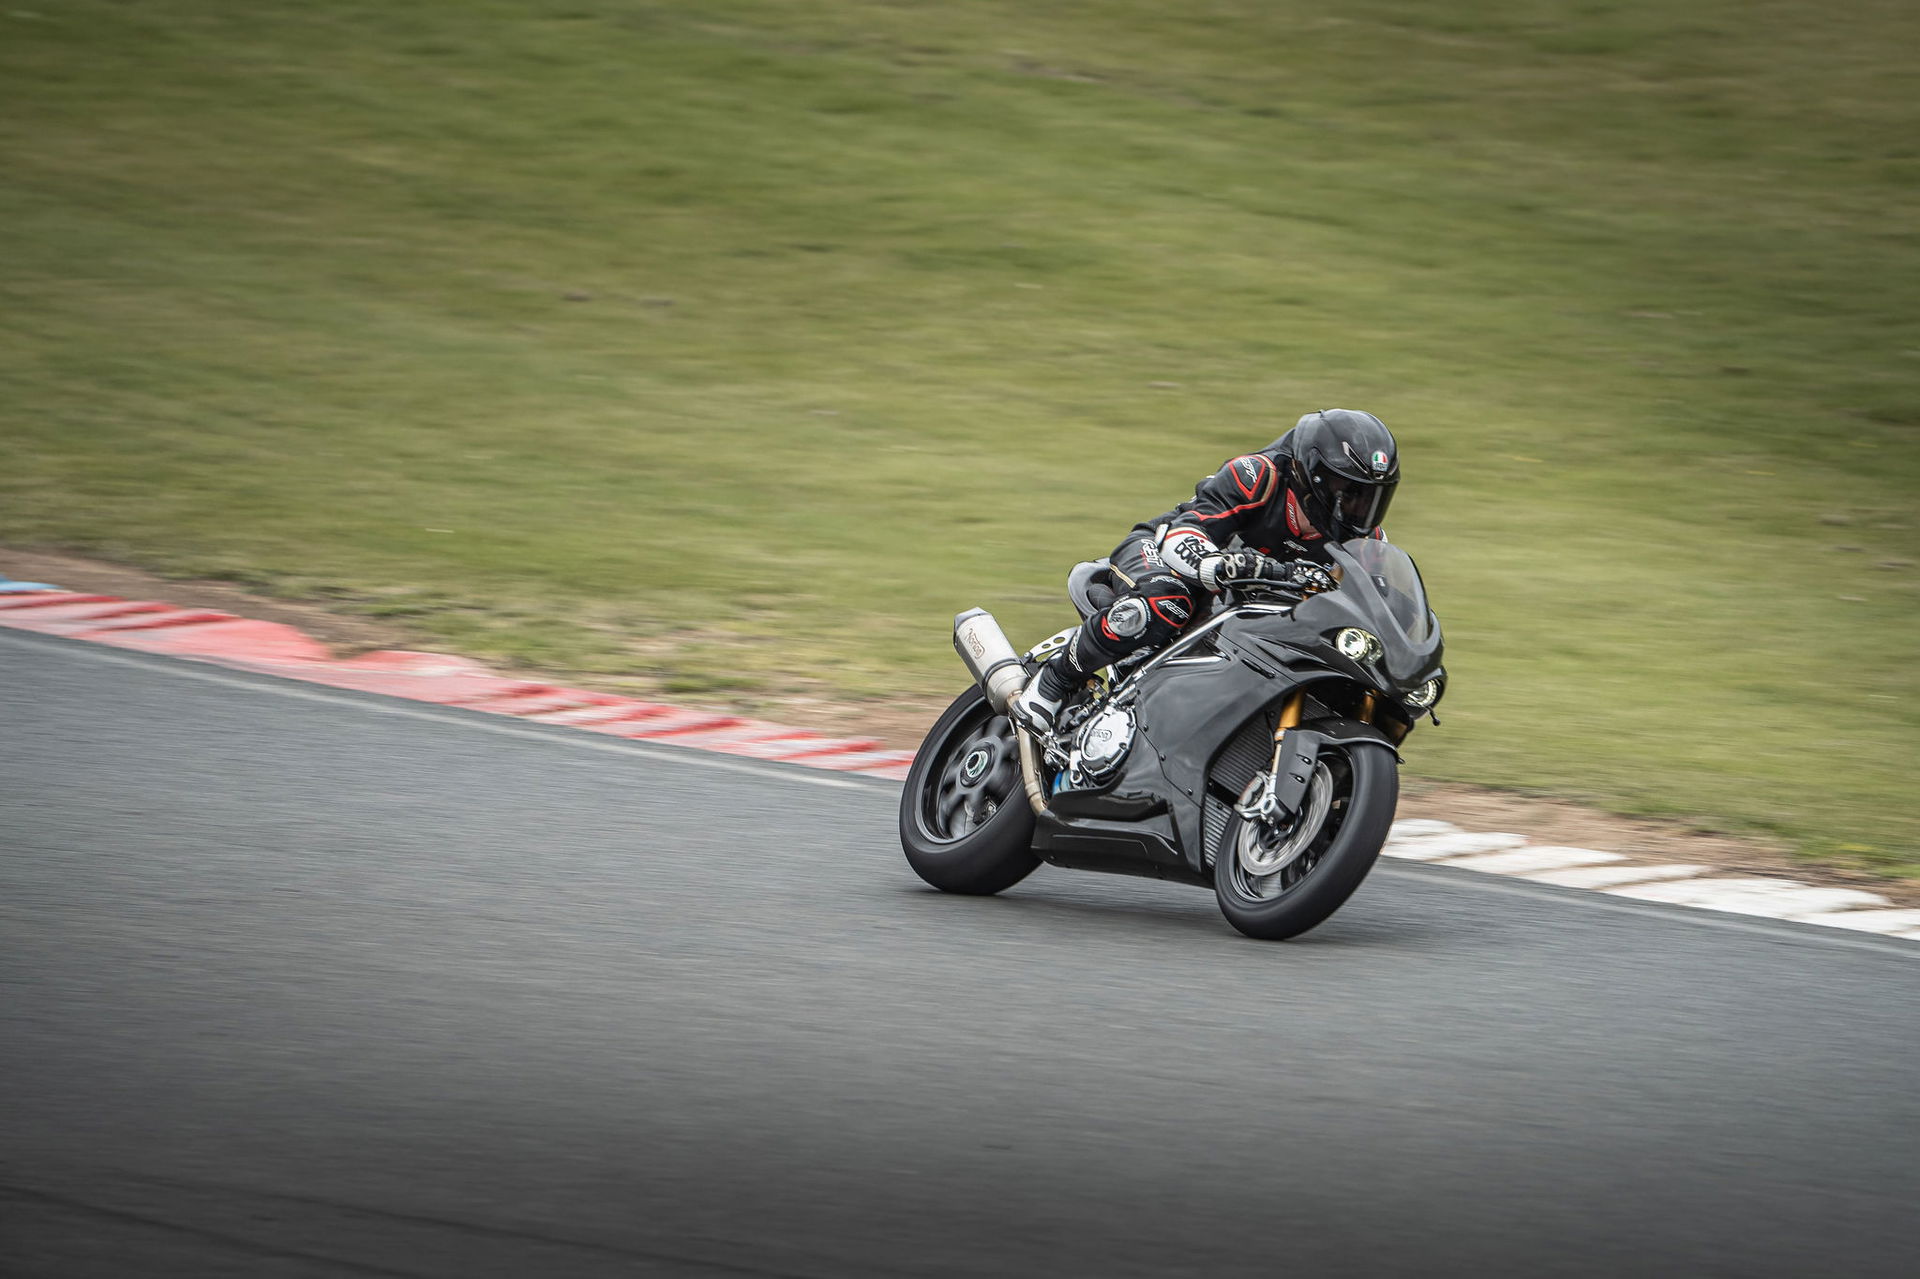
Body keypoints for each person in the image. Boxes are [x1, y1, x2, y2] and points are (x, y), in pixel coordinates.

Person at [1011, 408, 1400, 734]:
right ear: (1313, 475)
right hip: (1163, 553)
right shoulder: (1258, 475)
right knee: (1169, 602)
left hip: (1241, 613)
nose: (1357, 509)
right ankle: (1053, 682)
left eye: (1369, 498)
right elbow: (1185, 532)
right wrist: (1220, 565)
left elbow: (1378, 604)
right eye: (1348, 492)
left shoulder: (1368, 542)